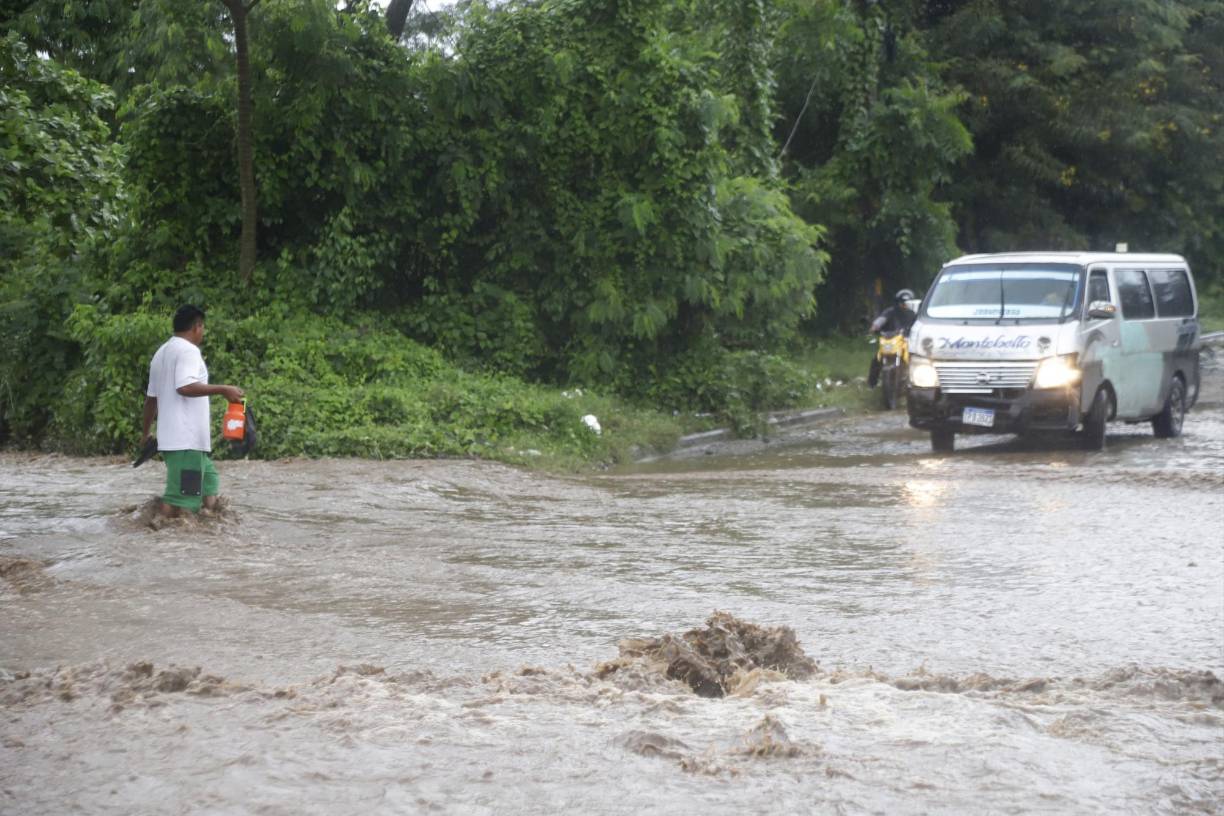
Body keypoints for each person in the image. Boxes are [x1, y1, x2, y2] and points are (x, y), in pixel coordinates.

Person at [141, 305, 244, 516]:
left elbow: (151, 400)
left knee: (209, 488)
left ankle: (203, 540)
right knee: (183, 502)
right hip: (185, 441)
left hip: (183, 443)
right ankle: (165, 539)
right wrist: (224, 389)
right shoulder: (188, 351)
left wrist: (145, 433)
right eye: (203, 327)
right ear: (197, 326)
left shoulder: (161, 353)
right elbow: (184, 386)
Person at [867, 289, 917, 387]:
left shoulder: (914, 314)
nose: (904, 305)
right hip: (892, 341)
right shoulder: (890, 312)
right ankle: (872, 384)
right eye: (902, 303)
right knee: (877, 359)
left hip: (907, 342)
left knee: (915, 361)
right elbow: (881, 320)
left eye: (906, 303)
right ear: (897, 303)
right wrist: (874, 327)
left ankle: (914, 383)